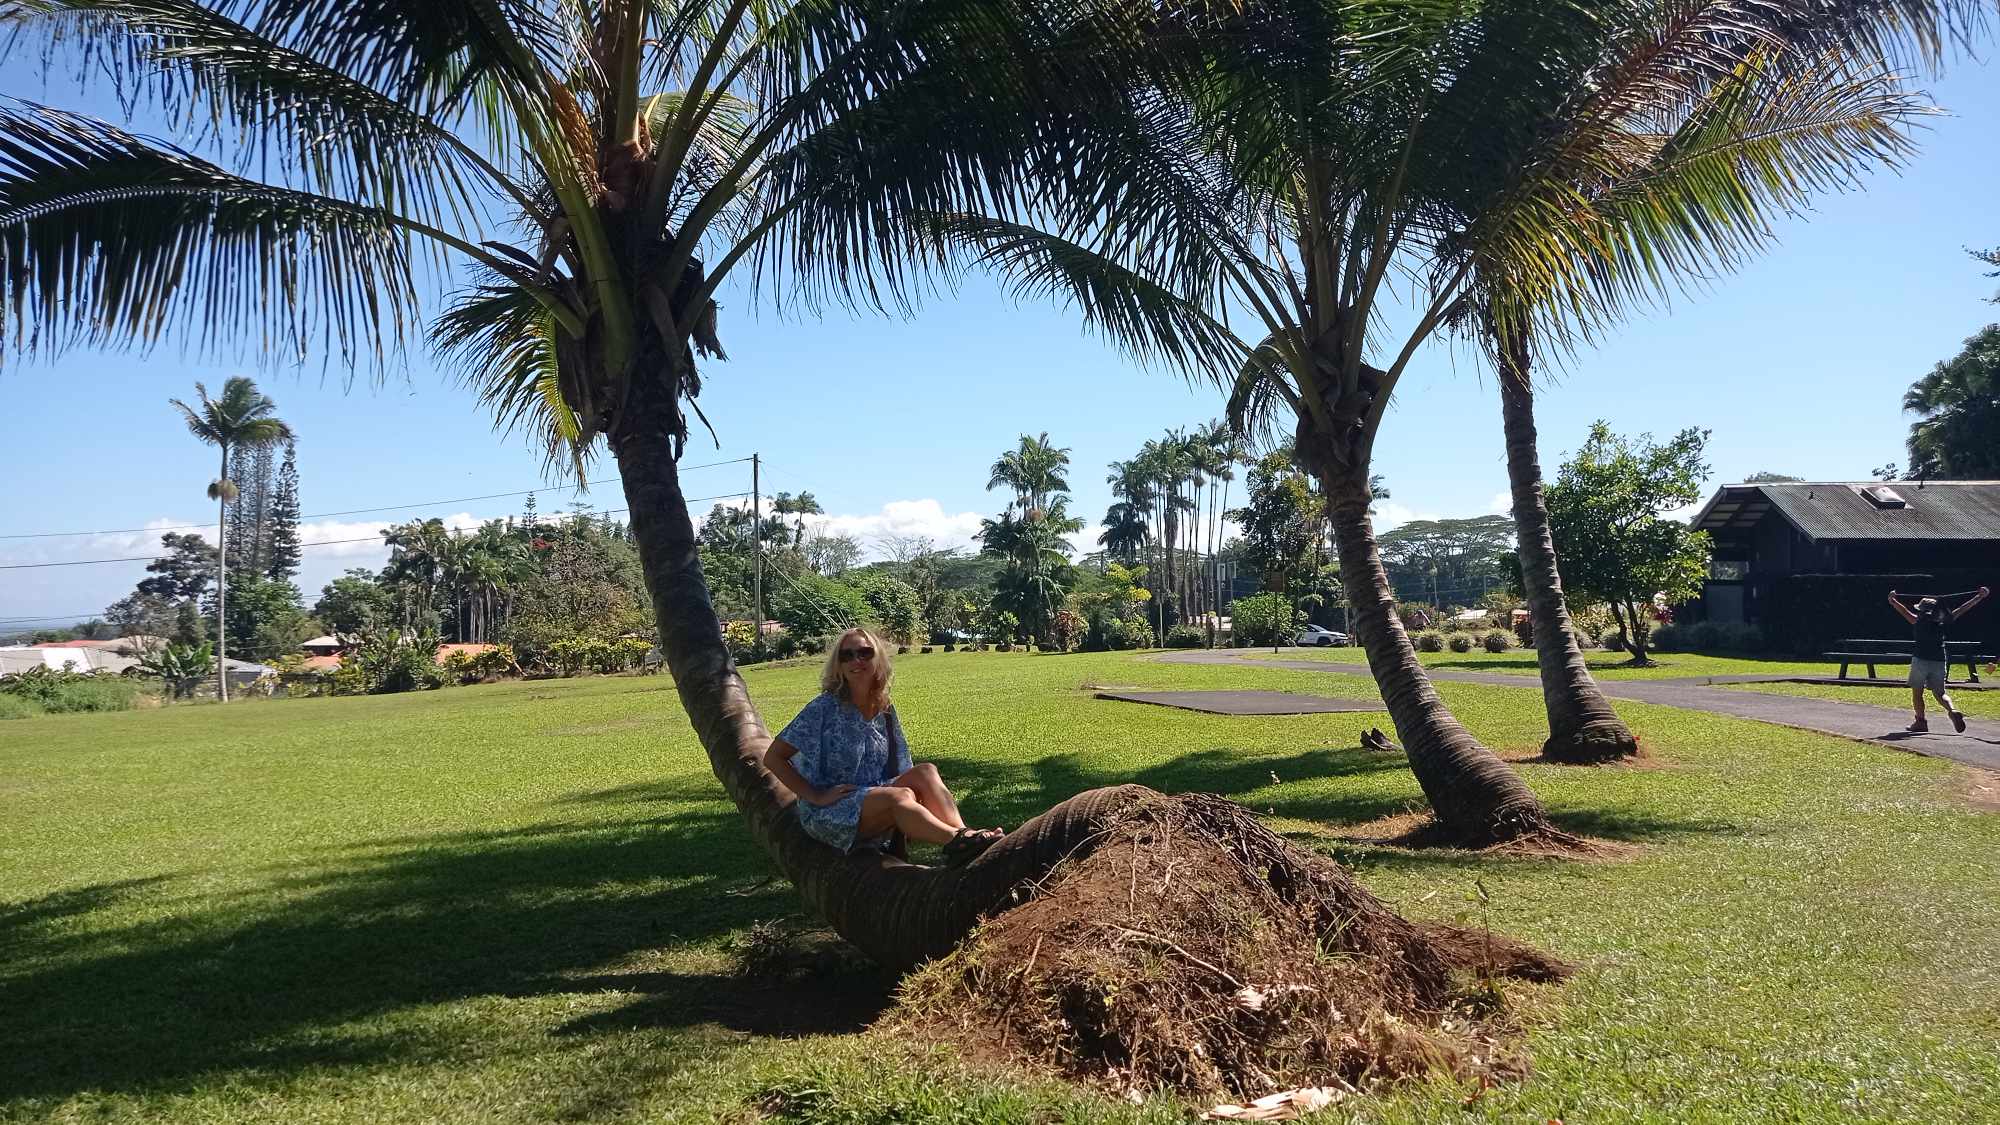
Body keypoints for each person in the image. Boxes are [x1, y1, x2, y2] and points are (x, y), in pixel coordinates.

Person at [766, 627, 1005, 865]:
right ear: (838, 665)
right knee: (900, 796)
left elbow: (901, 767)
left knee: (926, 771)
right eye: (846, 655)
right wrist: (815, 796)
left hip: (875, 794)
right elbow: (773, 757)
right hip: (833, 809)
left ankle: (965, 836)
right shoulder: (824, 708)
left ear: (878, 658)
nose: (856, 660)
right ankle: (956, 840)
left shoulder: (884, 708)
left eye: (864, 653)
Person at [1887, 586, 1990, 733]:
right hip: (1939, 660)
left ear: (1922, 610)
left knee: (1917, 693)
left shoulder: (1917, 621)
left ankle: (1920, 722)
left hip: (1920, 660)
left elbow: (1903, 611)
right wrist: (1978, 597)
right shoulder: (1943, 622)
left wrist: (1893, 600)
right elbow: (1962, 609)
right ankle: (1952, 710)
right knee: (1940, 693)